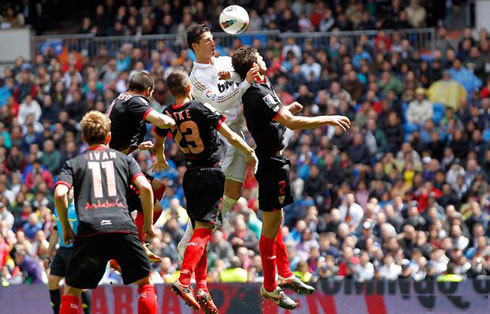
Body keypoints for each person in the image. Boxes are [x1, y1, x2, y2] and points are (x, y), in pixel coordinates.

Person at [232, 46, 351, 309]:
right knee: (271, 223)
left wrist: (287, 110)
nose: (264, 59)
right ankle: (271, 285)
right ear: (253, 65)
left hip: (276, 161)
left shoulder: (262, 86)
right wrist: (328, 119)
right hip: (270, 163)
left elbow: (275, 120)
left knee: (278, 219)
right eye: (260, 57)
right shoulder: (257, 92)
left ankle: (284, 275)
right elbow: (291, 123)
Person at [153, 71, 257, 313]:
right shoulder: (201, 108)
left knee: (201, 232)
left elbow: (157, 139)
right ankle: (184, 279)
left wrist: (159, 155)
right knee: (202, 233)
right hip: (210, 173)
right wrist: (249, 152)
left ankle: (201, 287)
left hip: (189, 176)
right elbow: (229, 134)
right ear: (189, 86)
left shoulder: (167, 113)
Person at [54, 111, 158, 314]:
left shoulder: (74, 163)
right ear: (109, 137)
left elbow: (59, 194)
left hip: (90, 231)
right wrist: (148, 225)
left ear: (83, 138)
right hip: (123, 228)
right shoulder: (125, 160)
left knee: (72, 290)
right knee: (145, 282)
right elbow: (146, 188)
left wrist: (66, 226)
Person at [177, 24, 260, 258]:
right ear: (195, 46)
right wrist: (243, 84)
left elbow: (243, 71)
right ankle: (189, 239)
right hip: (219, 136)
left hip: (237, 133)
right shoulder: (196, 78)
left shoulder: (225, 62)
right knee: (213, 196)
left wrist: (236, 75)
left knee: (233, 194)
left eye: (212, 38)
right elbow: (221, 102)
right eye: (206, 41)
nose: (212, 43)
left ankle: (202, 231)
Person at [106, 71, 175, 262]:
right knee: (156, 208)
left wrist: (136, 146)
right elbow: (161, 121)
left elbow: (116, 132)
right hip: (115, 167)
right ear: (148, 91)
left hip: (118, 161)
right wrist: (174, 120)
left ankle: (134, 242)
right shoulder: (136, 101)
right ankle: (134, 247)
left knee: (158, 188)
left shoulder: (121, 98)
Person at [46, 199, 91, 314]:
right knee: (52, 280)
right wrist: (48, 255)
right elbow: (56, 232)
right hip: (62, 250)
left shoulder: (79, 208)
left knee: (79, 285)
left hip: (76, 250)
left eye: (70, 190)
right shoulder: (58, 208)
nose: (67, 192)